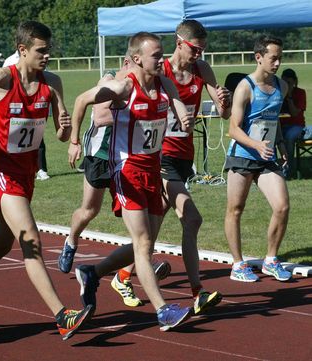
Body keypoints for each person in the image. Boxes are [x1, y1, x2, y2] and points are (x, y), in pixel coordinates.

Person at [0, 21, 93, 341]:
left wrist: (64, 126)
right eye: (41, 50)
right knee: (30, 241)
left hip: (27, 173)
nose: (47, 55)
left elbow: (61, 134)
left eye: (49, 49)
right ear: (23, 51)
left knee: (1, 244)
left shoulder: (52, 83)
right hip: (1, 171)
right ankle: (62, 315)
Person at [68, 32, 194, 331]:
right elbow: (81, 99)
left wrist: (182, 117)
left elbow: (175, 97)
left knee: (146, 240)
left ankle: (92, 272)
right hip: (127, 172)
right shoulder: (123, 86)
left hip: (152, 171)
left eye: (162, 54)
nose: (162, 60)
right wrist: (74, 140)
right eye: (156, 56)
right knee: (144, 242)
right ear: (137, 58)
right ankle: (163, 311)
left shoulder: (162, 82)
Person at [58, 55, 172, 308]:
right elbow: (99, 116)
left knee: (142, 225)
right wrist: (138, 111)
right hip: (101, 154)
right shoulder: (113, 82)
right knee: (90, 209)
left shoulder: (150, 86)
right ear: (129, 60)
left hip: (132, 161)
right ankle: (72, 241)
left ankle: (131, 268)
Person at [152, 19, 231, 314]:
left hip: (184, 156)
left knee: (153, 223)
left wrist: (224, 101)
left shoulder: (202, 69)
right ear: (179, 42)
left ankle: (119, 274)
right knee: (193, 219)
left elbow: (222, 114)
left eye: (203, 50)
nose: (199, 55)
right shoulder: (161, 69)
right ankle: (197, 291)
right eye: (195, 49)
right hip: (159, 156)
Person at [225, 35, 292, 283]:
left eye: (280, 59)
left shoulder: (281, 87)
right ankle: (238, 264)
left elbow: (274, 121)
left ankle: (271, 260)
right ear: (259, 57)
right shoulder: (245, 87)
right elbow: (233, 129)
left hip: (266, 157)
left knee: (282, 206)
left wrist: (281, 145)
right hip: (243, 155)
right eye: (273, 58)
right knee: (235, 209)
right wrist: (256, 145)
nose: (277, 63)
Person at [2, 52, 50, 181]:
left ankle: (41, 169)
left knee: (38, 139)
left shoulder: (39, 58)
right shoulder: (10, 60)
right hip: (15, 109)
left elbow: (45, 83)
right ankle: (12, 170)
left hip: (35, 105)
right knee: (13, 141)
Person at [280, 68, 306, 178]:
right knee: (271, 137)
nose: (286, 85)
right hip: (280, 125)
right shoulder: (278, 93)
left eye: (289, 82)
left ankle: (289, 170)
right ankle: (271, 169)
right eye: (284, 82)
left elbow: (295, 113)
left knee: (289, 137)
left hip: (296, 126)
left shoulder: (300, 93)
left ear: (294, 82)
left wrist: (289, 95)